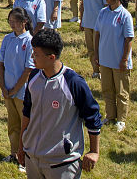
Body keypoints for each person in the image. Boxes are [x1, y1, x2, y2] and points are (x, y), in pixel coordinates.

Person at [19, 28, 102, 179]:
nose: (32, 57)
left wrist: (94, 151)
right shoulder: (33, 77)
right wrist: (21, 147)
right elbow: (27, 112)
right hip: (32, 159)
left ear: (51, 57)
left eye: (36, 54)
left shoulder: (73, 83)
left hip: (62, 164)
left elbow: (93, 116)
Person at [0, 7, 35, 165]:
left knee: (25, 126)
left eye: (15, 21)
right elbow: (1, 65)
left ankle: (26, 157)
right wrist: (3, 87)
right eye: (10, 21)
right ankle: (14, 153)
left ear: (24, 22)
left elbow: (28, 70)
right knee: (13, 124)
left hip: (22, 92)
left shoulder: (29, 42)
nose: (12, 25)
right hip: (8, 91)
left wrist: (15, 89)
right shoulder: (7, 39)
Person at [96, 0, 134, 132]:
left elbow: (128, 39)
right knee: (107, 89)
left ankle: (121, 119)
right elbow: (97, 33)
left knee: (121, 91)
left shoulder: (125, 15)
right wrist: (97, 55)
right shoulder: (103, 12)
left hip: (119, 60)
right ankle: (110, 115)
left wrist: (124, 59)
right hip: (105, 59)